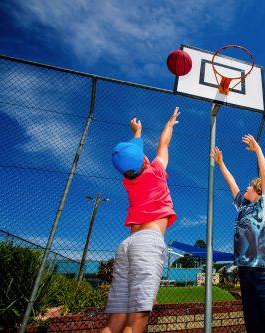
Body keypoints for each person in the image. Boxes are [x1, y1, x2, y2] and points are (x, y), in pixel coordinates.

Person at [102, 107, 180, 333]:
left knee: (115, 322)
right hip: (147, 244)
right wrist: (169, 123)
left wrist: (137, 132)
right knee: (135, 322)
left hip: (127, 245)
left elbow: (132, 155)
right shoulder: (155, 171)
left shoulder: (129, 180)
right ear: (145, 160)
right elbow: (163, 145)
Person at [211, 134, 265, 333]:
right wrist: (221, 163)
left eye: (250, 186)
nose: (245, 187)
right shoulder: (243, 208)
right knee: (254, 326)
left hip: (263, 271)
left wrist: (258, 150)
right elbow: (232, 184)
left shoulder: (264, 207)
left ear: (258, 192)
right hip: (245, 273)